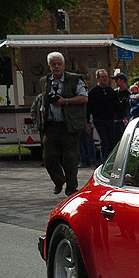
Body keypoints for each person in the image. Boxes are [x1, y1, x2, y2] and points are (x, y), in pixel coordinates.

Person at [37, 51, 88, 195]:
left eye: (59, 64)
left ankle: (71, 188)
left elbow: (84, 97)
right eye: (53, 64)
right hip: (51, 125)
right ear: (49, 66)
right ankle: (59, 181)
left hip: (69, 126)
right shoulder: (44, 81)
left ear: (64, 65)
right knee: (48, 158)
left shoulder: (75, 79)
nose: (56, 67)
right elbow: (44, 101)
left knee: (70, 159)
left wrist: (65, 101)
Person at [87, 69, 120, 164]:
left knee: (112, 141)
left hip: (110, 120)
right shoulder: (93, 92)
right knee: (104, 141)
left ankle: (112, 162)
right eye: (102, 77)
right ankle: (104, 162)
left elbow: (117, 105)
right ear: (98, 78)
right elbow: (88, 108)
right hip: (99, 120)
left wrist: (122, 117)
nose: (105, 79)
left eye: (106, 77)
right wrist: (87, 122)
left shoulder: (110, 91)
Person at [112, 72, 130, 141]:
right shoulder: (115, 92)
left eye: (117, 79)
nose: (115, 81)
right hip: (116, 119)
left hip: (125, 120)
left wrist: (126, 117)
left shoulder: (128, 93)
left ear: (122, 80)